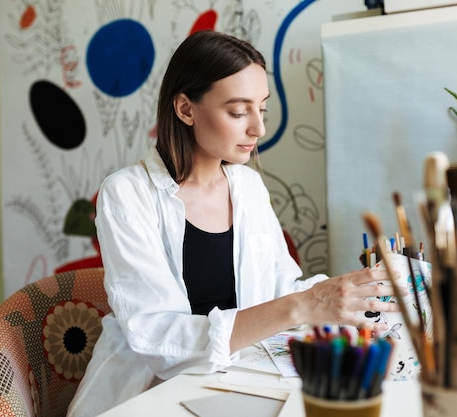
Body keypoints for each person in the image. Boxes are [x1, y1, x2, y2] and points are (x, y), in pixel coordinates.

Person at [66, 30, 402, 417]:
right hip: (149, 396)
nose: (258, 129)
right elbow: (158, 339)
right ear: (185, 109)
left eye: (263, 109)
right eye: (239, 112)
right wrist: (305, 304)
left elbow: (282, 289)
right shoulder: (126, 194)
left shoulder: (248, 187)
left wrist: (354, 297)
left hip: (238, 382)